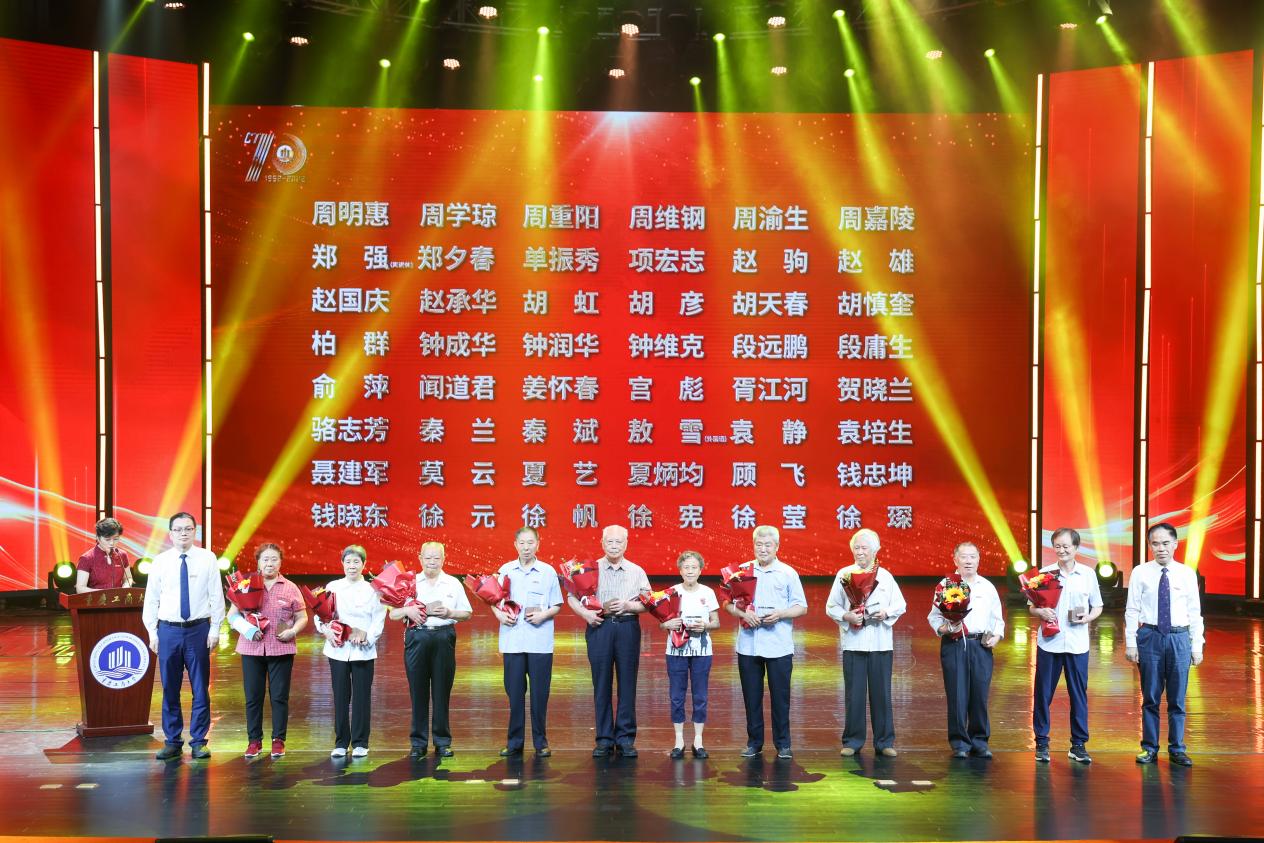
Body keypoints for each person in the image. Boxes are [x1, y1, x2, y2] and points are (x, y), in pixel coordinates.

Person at [141, 512, 225, 761]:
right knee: (170, 688)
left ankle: (199, 741)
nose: (183, 533)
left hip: (198, 630)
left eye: (188, 529)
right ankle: (173, 741)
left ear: (195, 532)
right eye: (178, 529)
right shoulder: (160, 561)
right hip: (168, 631)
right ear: (170, 534)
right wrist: (152, 632)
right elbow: (151, 599)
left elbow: (216, 596)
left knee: (200, 688)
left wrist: (215, 629)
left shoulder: (207, 558)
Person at [724, 525, 808, 760]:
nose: (763, 549)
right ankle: (754, 742)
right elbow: (727, 604)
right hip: (748, 645)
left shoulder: (788, 573)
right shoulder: (742, 572)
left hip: (779, 645)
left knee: (780, 697)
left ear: (777, 547)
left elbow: (801, 607)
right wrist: (743, 614)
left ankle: (783, 744)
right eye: (759, 545)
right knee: (751, 697)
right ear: (753, 546)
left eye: (767, 545)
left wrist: (780, 614)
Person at [1125, 522, 1205, 767]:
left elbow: (1195, 611)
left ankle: (1177, 749)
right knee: (1150, 696)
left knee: (1177, 698)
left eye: (1165, 543)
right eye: (1155, 543)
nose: (1161, 548)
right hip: (1150, 636)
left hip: (1179, 638)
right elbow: (1132, 609)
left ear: (1175, 544)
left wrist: (1197, 645)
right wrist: (1131, 643)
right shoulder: (1140, 572)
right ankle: (1149, 747)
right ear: (1149, 546)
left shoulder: (1186, 573)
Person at [567, 524, 650, 758]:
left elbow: (648, 602)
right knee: (601, 683)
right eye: (610, 541)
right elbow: (572, 597)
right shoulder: (589, 569)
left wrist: (628, 605)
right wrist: (586, 614)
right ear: (602, 543)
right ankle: (604, 738)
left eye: (619, 542)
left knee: (627, 683)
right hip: (599, 627)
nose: (614, 546)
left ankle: (625, 738)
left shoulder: (636, 571)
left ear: (626, 544)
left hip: (627, 627)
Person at [826, 528, 907, 757]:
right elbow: (831, 606)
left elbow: (900, 605)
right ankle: (852, 741)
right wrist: (847, 616)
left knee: (882, 694)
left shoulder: (886, 576)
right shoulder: (844, 574)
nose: (860, 552)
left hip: (881, 643)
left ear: (875, 550)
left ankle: (885, 742)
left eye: (864, 548)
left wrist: (886, 612)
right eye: (857, 548)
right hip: (853, 643)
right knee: (854, 694)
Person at [389, 541, 472, 759]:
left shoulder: (453, 583)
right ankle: (418, 743)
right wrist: (408, 611)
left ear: (444, 559)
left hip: (443, 638)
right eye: (428, 558)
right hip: (417, 637)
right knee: (418, 692)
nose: (432, 562)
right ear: (420, 558)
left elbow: (467, 613)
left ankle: (442, 742)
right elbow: (393, 614)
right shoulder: (409, 583)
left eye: (436, 558)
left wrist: (450, 613)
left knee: (442, 692)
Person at [1031, 527, 1103, 764]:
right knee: (1043, 694)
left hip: (1077, 644)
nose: (1062, 550)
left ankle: (1078, 744)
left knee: (1078, 695)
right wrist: (1040, 611)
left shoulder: (1088, 574)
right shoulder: (1045, 574)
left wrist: (1088, 617)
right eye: (1058, 546)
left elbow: (1098, 606)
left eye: (1066, 546)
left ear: (1076, 547)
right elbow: (1031, 606)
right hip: (1049, 643)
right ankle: (1042, 742)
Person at [228, 543, 306, 760]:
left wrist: (292, 631)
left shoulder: (290, 587)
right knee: (253, 697)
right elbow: (232, 615)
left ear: (280, 562)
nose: (269, 563)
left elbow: (302, 617)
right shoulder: (245, 585)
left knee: (279, 697)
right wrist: (247, 629)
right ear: (258, 562)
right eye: (265, 559)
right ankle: (254, 741)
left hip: (281, 648)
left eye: (274, 559)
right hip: (251, 648)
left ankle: (278, 740)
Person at [927, 541, 1004, 759]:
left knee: (980, 694)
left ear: (978, 560)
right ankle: (960, 742)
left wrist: (997, 636)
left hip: (980, 645)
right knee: (957, 695)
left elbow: (997, 618)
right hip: (954, 644)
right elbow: (934, 617)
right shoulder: (946, 585)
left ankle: (980, 741)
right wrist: (945, 628)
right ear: (955, 560)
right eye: (964, 556)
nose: (968, 561)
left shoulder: (987, 587)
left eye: (973, 556)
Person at [494, 526, 563, 757]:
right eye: (522, 543)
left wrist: (543, 615)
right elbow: (493, 600)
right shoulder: (505, 570)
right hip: (512, 641)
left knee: (539, 695)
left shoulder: (547, 572)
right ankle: (514, 742)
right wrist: (499, 615)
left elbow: (556, 604)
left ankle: (541, 743)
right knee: (514, 695)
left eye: (530, 543)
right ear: (515, 545)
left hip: (539, 642)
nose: (526, 547)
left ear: (538, 544)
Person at [315, 545, 386, 758]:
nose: (352, 566)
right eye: (348, 562)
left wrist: (367, 637)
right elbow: (320, 614)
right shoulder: (333, 586)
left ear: (364, 564)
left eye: (356, 562)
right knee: (340, 696)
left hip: (363, 651)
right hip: (337, 650)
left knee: (362, 697)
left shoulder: (373, 590)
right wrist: (326, 630)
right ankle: (341, 742)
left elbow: (378, 618)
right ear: (342, 564)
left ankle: (361, 743)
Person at [661, 550, 720, 759]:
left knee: (700, 695)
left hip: (702, 651)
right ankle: (679, 741)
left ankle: (698, 740)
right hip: (676, 650)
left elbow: (716, 622)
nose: (690, 571)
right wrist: (667, 624)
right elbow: (662, 623)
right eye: (686, 567)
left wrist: (705, 625)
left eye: (694, 567)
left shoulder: (708, 592)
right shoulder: (671, 592)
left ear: (700, 570)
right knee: (677, 696)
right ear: (680, 570)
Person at [76, 517, 132, 592]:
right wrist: (105, 594)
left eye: (116, 539)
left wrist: (125, 587)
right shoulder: (87, 558)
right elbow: (80, 588)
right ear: (98, 538)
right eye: (107, 539)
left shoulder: (122, 555)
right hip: (98, 598)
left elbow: (128, 578)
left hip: (118, 598)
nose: (112, 543)